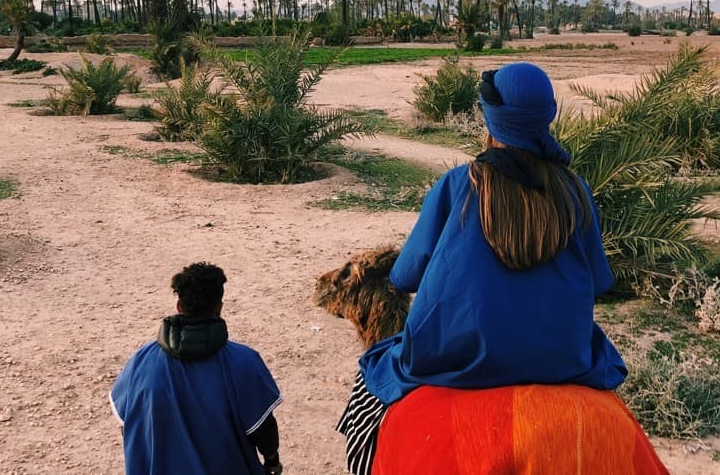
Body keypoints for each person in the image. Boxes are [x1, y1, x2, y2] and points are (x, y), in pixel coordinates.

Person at [338, 62, 626, 475]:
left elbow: (403, 278)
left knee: (366, 396)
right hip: (563, 358)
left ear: (492, 120)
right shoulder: (574, 188)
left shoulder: (458, 185)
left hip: (456, 358)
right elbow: (601, 281)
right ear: (546, 117)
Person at [110, 262, 283, 475]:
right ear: (219, 306)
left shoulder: (140, 362)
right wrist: (272, 460)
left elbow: (127, 425)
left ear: (179, 307)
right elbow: (263, 430)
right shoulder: (244, 361)